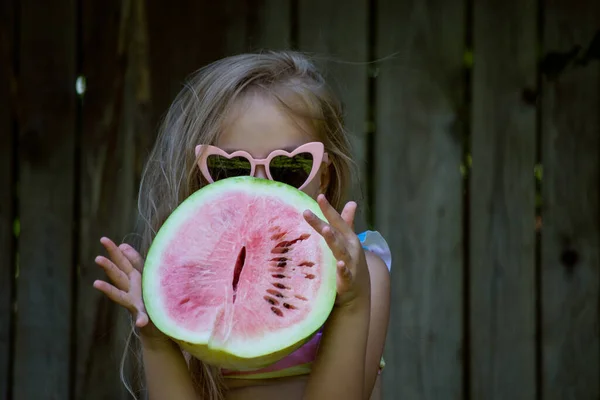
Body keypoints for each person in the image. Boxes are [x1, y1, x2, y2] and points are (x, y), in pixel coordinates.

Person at [93, 51, 392, 400]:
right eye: (230, 169)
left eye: (288, 167)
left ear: (323, 176)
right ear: (200, 177)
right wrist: (157, 338)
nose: (258, 189)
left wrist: (352, 303)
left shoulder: (364, 272)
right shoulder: (192, 275)